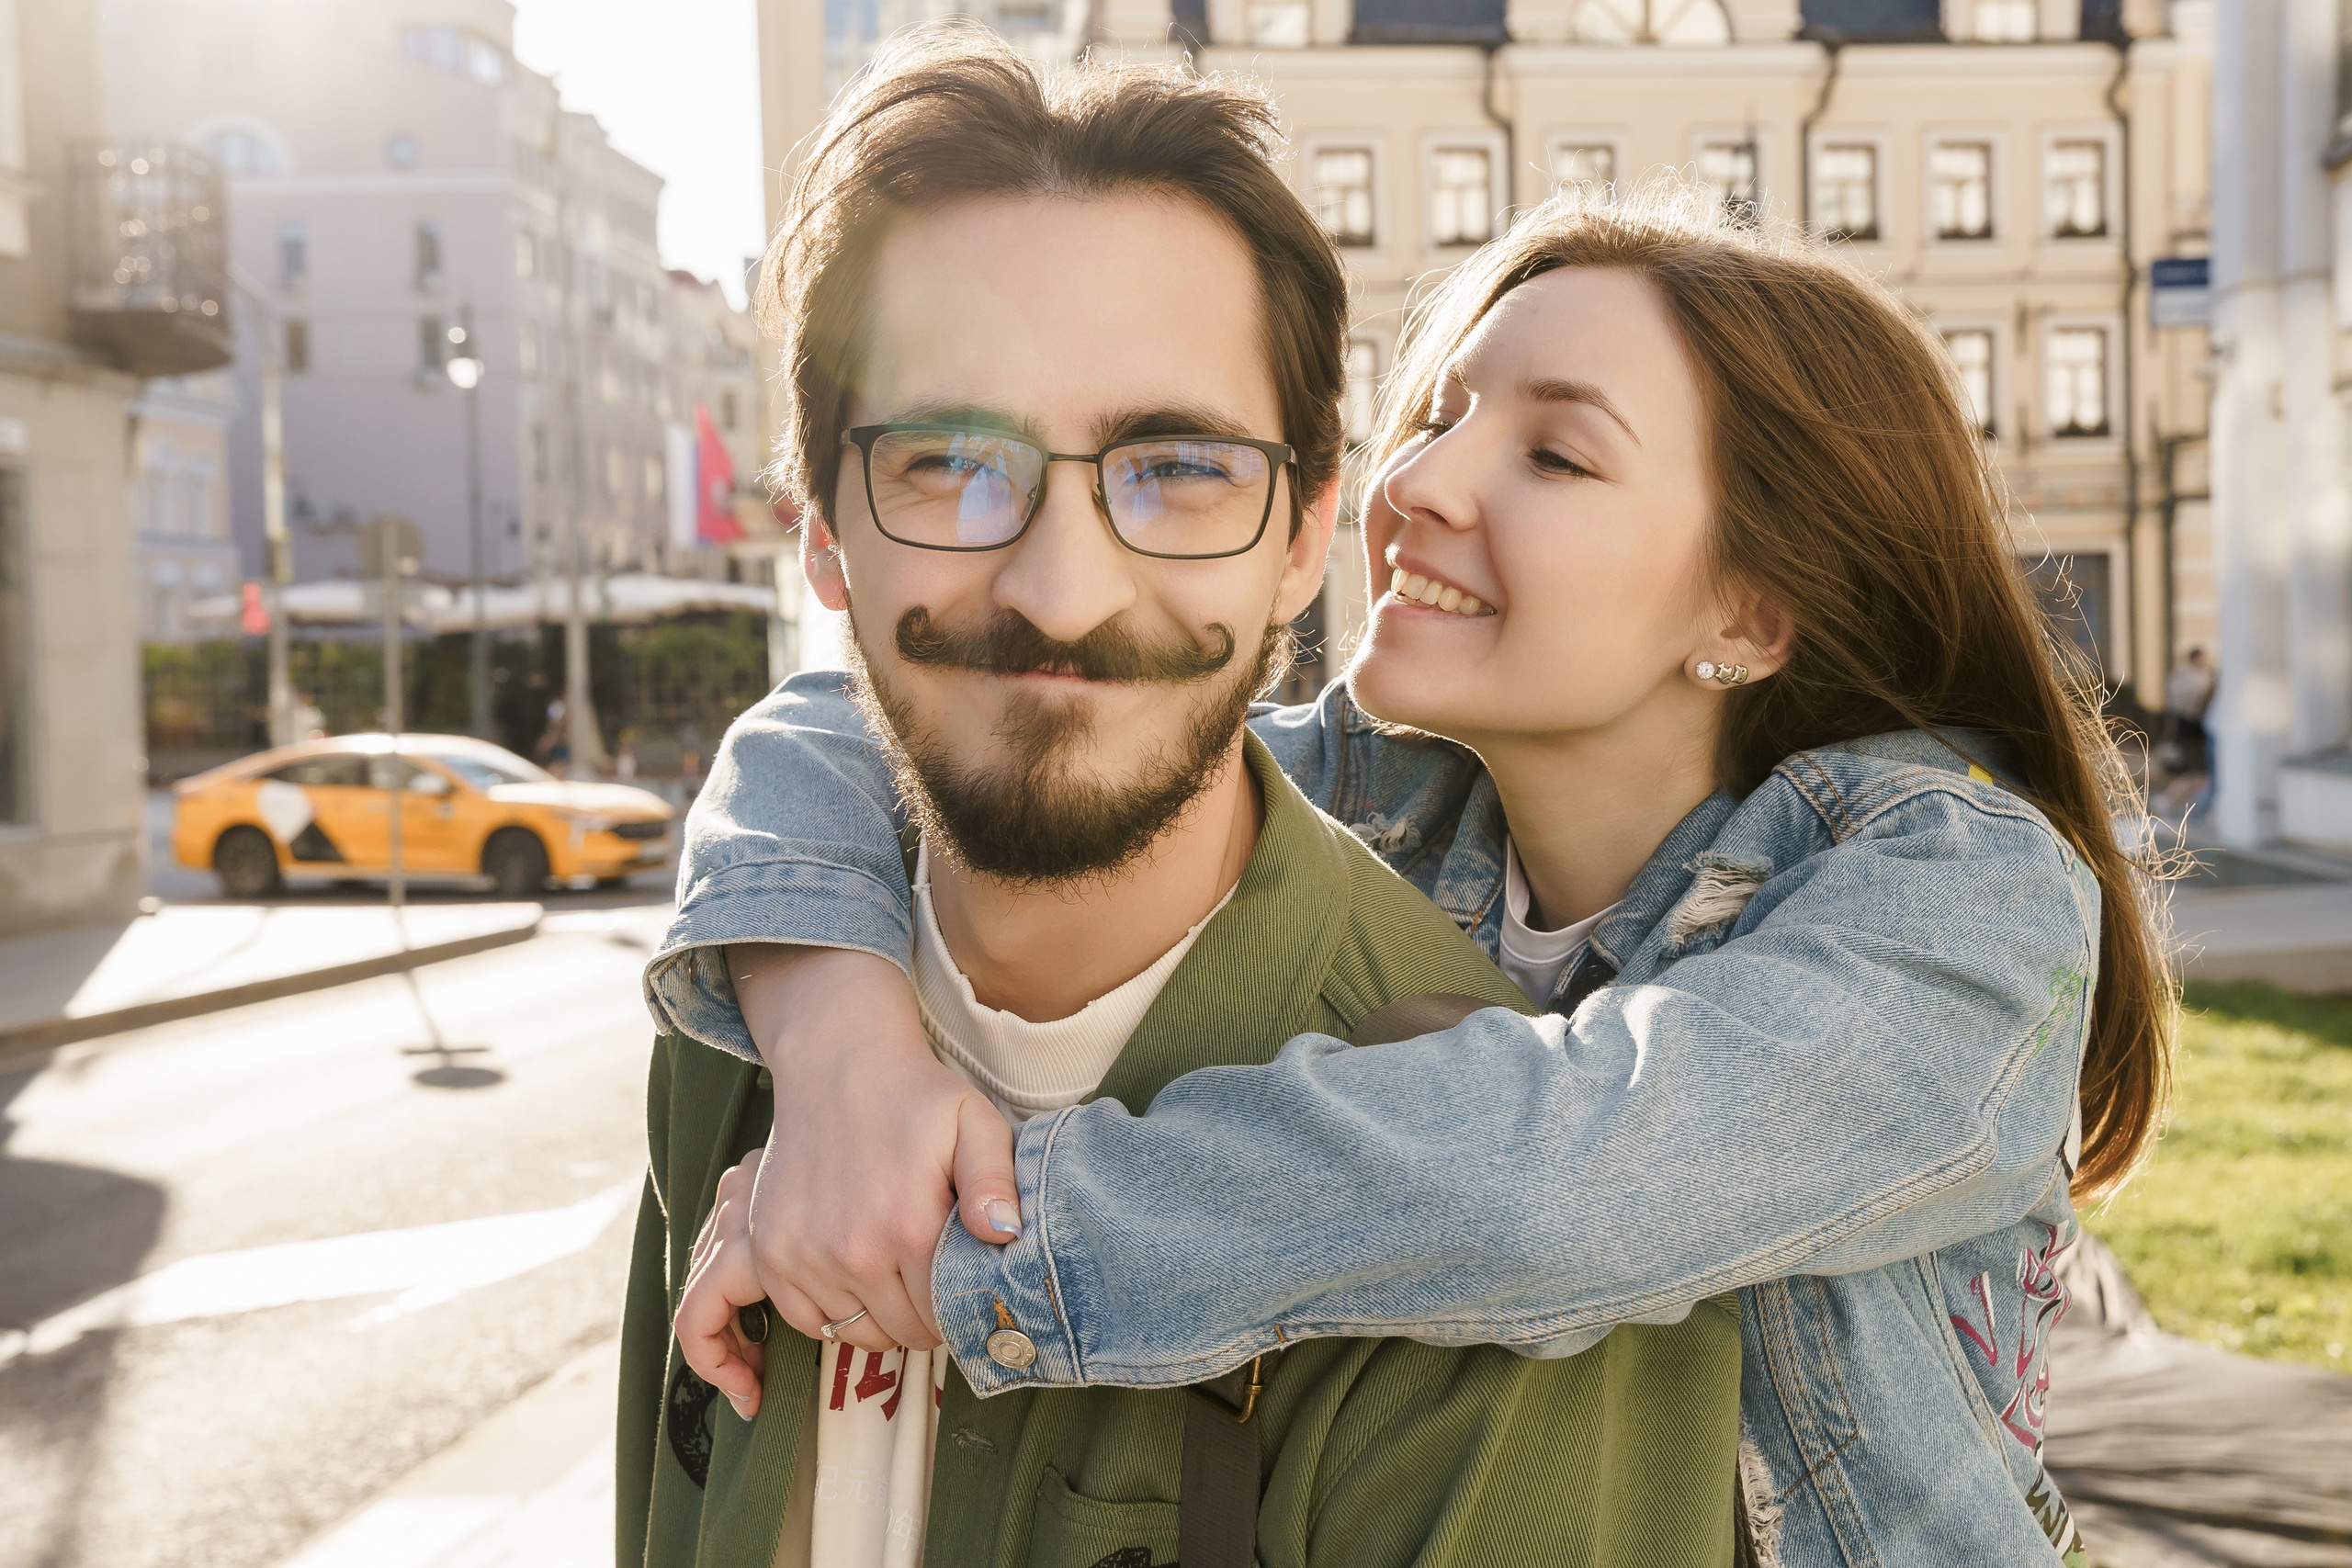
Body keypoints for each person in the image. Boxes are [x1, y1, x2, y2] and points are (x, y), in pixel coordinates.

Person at [657, 172, 2178, 1567]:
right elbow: (883, 718)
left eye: (1554, 453)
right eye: (1441, 412)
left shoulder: (1960, 902)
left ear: (1752, 610)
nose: (1422, 482)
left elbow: (1562, 1184)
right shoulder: (1405, 797)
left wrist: (973, 1247)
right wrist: (840, 1049)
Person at [619, 33, 1743, 1568]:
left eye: (1179, 465)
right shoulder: (744, 1033)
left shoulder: (1489, 1231)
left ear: (1304, 537)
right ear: (822, 534)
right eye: (951, 460)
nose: (1063, 591)